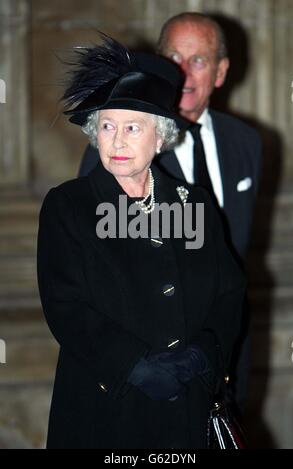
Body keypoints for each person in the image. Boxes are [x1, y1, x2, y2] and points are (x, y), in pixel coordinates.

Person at [37, 33, 246, 449]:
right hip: (106, 408)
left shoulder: (195, 204)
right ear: (95, 135)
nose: (117, 141)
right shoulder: (69, 206)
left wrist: (203, 354)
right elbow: (65, 305)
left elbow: (230, 293)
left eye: (133, 128)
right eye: (107, 127)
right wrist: (133, 366)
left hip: (188, 407)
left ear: (160, 137)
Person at [78, 14, 262, 412]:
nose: (184, 71)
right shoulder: (116, 147)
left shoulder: (248, 144)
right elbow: (94, 268)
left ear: (221, 72)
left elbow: (238, 262)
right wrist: (142, 367)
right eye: (173, 57)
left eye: (199, 60)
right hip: (146, 372)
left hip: (224, 358)